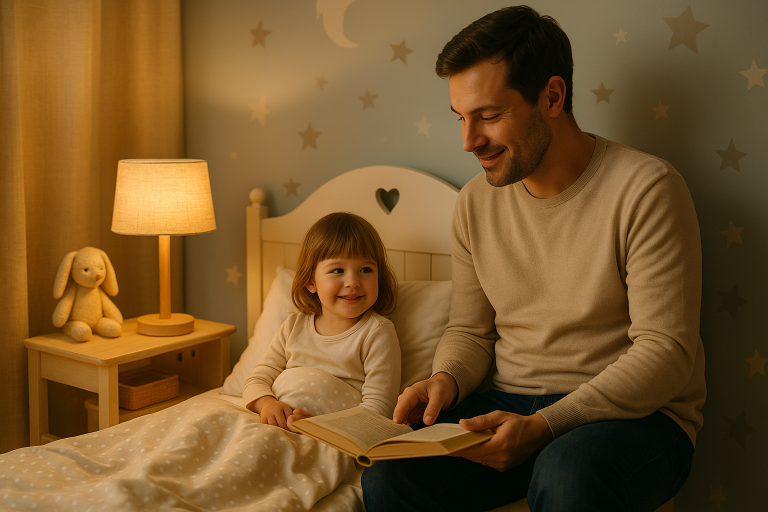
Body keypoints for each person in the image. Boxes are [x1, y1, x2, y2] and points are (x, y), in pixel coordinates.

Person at [361, 5, 705, 512]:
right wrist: (445, 380)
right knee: (392, 473)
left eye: (489, 116)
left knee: (565, 474)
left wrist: (546, 427)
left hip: (636, 418)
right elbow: (470, 332)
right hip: (511, 401)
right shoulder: (475, 203)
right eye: (461, 117)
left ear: (551, 96)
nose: (468, 141)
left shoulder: (647, 189)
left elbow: (665, 354)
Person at [243, 212, 401, 430]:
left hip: (337, 439)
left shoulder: (377, 332)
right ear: (310, 281)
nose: (353, 282)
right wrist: (267, 403)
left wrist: (323, 428)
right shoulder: (293, 326)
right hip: (277, 426)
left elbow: (379, 408)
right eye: (337, 270)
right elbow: (257, 379)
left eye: (366, 270)